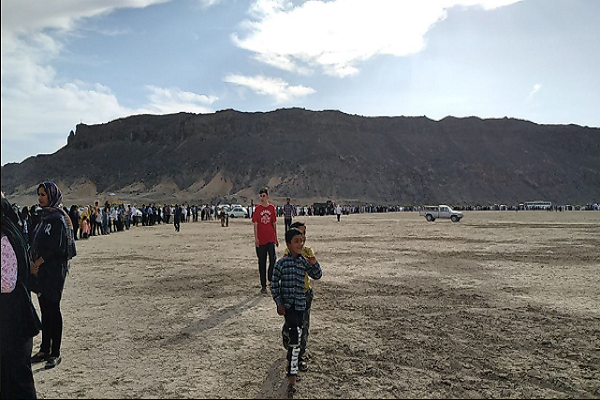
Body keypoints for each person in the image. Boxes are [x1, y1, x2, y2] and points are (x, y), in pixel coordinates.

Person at [29, 182, 76, 370]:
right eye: (39, 194)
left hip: (54, 272)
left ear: (52, 196)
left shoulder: (59, 219)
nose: (40, 198)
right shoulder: (43, 217)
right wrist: (33, 263)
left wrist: (38, 263)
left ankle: (55, 352)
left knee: (53, 310)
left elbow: (58, 247)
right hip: (40, 272)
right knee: (45, 310)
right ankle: (44, 348)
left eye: (43, 195)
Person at [271, 228, 322, 396]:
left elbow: (317, 275)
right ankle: (292, 375)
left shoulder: (303, 262)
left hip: (300, 307)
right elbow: (274, 283)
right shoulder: (282, 263)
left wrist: (314, 263)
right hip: (288, 307)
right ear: (288, 244)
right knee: (294, 338)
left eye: (302, 240)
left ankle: (292, 372)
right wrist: (279, 303)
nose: (300, 244)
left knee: (296, 339)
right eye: (296, 241)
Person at [1, 194, 42, 399]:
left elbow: (7, 283)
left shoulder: (4, 237)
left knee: (16, 380)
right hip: (9, 321)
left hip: (12, 322)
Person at [281, 221, 316, 372]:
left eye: (304, 234)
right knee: (291, 324)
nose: (302, 238)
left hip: (305, 293)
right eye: (299, 235)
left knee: (304, 325)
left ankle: (300, 356)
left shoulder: (308, 251)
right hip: (291, 295)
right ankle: (286, 334)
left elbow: (315, 272)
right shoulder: (288, 252)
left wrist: (312, 263)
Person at [252, 187, 278, 294]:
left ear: (267, 196)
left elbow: (274, 223)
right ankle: (263, 285)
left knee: (273, 259)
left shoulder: (272, 208)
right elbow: (255, 224)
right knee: (262, 262)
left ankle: (270, 278)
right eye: (261, 196)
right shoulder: (257, 209)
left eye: (264, 196)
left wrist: (276, 237)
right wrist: (256, 238)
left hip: (270, 238)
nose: (262, 198)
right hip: (261, 240)